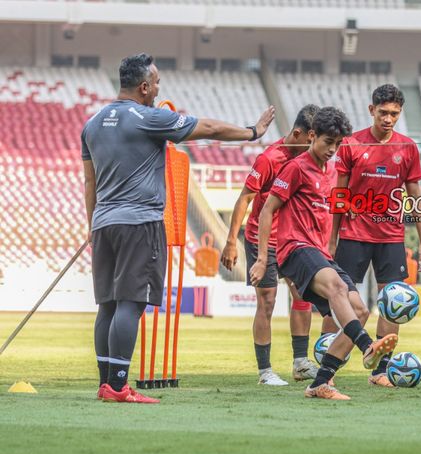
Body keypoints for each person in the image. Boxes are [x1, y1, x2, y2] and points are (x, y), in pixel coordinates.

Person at [82, 53, 275, 403]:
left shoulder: (92, 123)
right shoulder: (149, 117)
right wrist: (252, 132)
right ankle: (119, 387)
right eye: (155, 83)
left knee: (107, 305)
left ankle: (106, 383)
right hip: (139, 223)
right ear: (143, 87)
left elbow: (89, 182)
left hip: (104, 223)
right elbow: (210, 129)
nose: (158, 88)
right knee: (131, 302)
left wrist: (92, 223)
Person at [250, 107, 397, 401]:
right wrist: (263, 258)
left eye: (338, 144)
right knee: (337, 287)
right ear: (312, 136)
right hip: (295, 249)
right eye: (327, 142)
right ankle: (367, 345)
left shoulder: (331, 170)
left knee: (359, 310)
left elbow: (335, 204)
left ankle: (321, 381)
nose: (332, 149)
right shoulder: (295, 168)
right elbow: (268, 210)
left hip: (318, 253)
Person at [329, 84, 421, 388]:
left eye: (394, 114)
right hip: (353, 235)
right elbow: (339, 193)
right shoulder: (350, 144)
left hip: (390, 238)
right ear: (371, 110)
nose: (388, 118)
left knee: (394, 304)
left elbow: (415, 197)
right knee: (343, 300)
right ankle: (329, 363)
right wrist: (331, 238)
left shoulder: (407, 148)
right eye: (383, 112)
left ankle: (380, 371)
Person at [220, 104, 322, 386]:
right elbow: (245, 199)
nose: (313, 147)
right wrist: (231, 241)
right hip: (261, 239)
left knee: (303, 295)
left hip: (293, 239)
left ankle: (301, 363)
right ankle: (265, 372)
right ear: (299, 133)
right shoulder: (270, 159)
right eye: (310, 141)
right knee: (267, 302)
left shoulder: (311, 160)